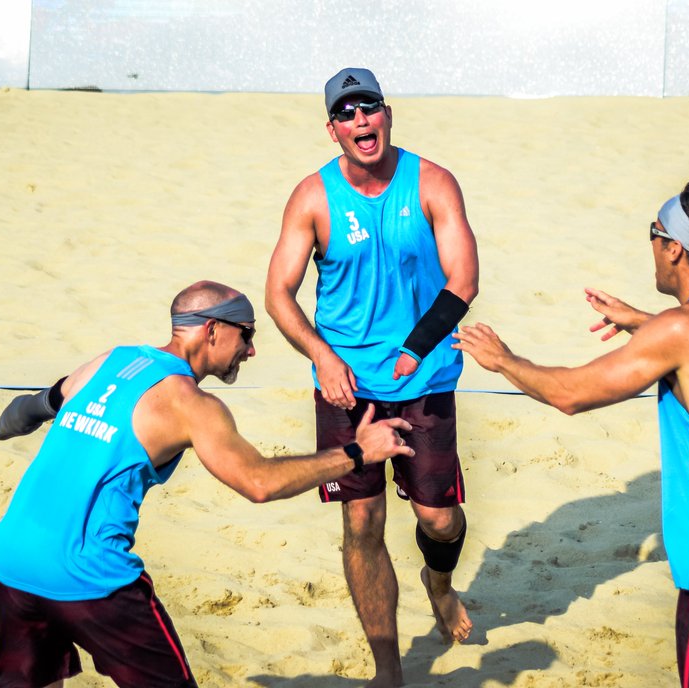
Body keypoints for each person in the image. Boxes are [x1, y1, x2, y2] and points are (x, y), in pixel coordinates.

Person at [453, 182, 689, 688]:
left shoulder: (682, 330)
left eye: (653, 233)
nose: (650, 245)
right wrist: (645, 326)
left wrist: (504, 361)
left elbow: (571, 394)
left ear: (674, 247)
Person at [0, 280, 415, 688]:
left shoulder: (113, 360)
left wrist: (7, 427)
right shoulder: (191, 404)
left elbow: (30, 409)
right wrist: (357, 453)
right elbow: (259, 482)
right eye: (246, 335)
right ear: (212, 330)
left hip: (11, 559)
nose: (251, 350)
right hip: (91, 576)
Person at [264, 67, 479, 686]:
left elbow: (463, 279)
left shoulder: (433, 183)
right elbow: (279, 294)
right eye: (347, 113)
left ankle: (438, 583)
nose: (362, 120)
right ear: (332, 129)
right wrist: (322, 357)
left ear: (387, 114)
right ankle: (388, 664)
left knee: (439, 519)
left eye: (370, 107)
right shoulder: (312, 197)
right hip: (347, 387)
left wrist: (415, 348)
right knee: (362, 522)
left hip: (426, 375)